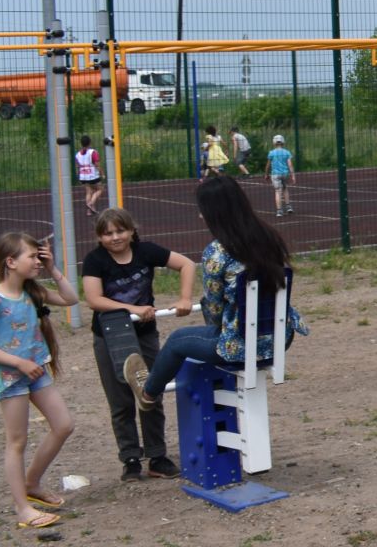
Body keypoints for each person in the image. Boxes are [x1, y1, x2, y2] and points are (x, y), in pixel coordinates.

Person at [124, 175, 306, 413]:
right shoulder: (269, 236)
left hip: (244, 346)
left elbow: (214, 306)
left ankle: (148, 393)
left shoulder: (218, 252)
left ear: (214, 213)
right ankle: (150, 389)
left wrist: (217, 327)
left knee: (176, 342)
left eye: (202, 210)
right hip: (281, 336)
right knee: (191, 333)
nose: (201, 215)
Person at [79, 208, 196, 482]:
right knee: (120, 399)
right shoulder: (95, 260)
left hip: (144, 335)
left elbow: (187, 265)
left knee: (150, 393)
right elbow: (94, 299)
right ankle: (130, 458)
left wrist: (185, 298)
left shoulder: (146, 252)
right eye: (107, 233)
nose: (115, 237)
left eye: (120, 231)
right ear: (99, 237)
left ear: (131, 231)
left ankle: (157, 456)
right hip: (111, 336)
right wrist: (132, 307)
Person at [0, 231, 79, 529]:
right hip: (13, 379)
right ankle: (23, 509)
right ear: (11, 262)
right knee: (17, 441)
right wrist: (18, 362)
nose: (37, 261)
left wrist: (52, 269)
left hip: (37, 373)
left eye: (39, 257)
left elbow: (71, 298)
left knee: (63, 425)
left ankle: (32, 483)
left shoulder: (32, 292)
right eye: (32, 257)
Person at [75, 134, 106, 215]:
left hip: (83, 176)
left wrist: (78, 176)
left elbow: (77, 167)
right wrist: (102, 173)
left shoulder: (77, 154)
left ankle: (89, 211)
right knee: (100, 189)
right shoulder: (93, 152)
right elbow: (97, 164)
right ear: (89, 143)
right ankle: (91, 203)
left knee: (89, 192)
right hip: (92, 175)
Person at [265, 135, 295, 216]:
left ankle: (279, 211)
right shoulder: (286, 152)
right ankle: (288, 207)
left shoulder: (271, 153)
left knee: (278, 191)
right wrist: (293, 175)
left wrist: (266, 174)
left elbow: (268, 165)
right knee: (285, 189)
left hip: (275, 174)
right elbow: (290, 165)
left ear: (274, 142)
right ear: (283, 142)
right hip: (285, 174)